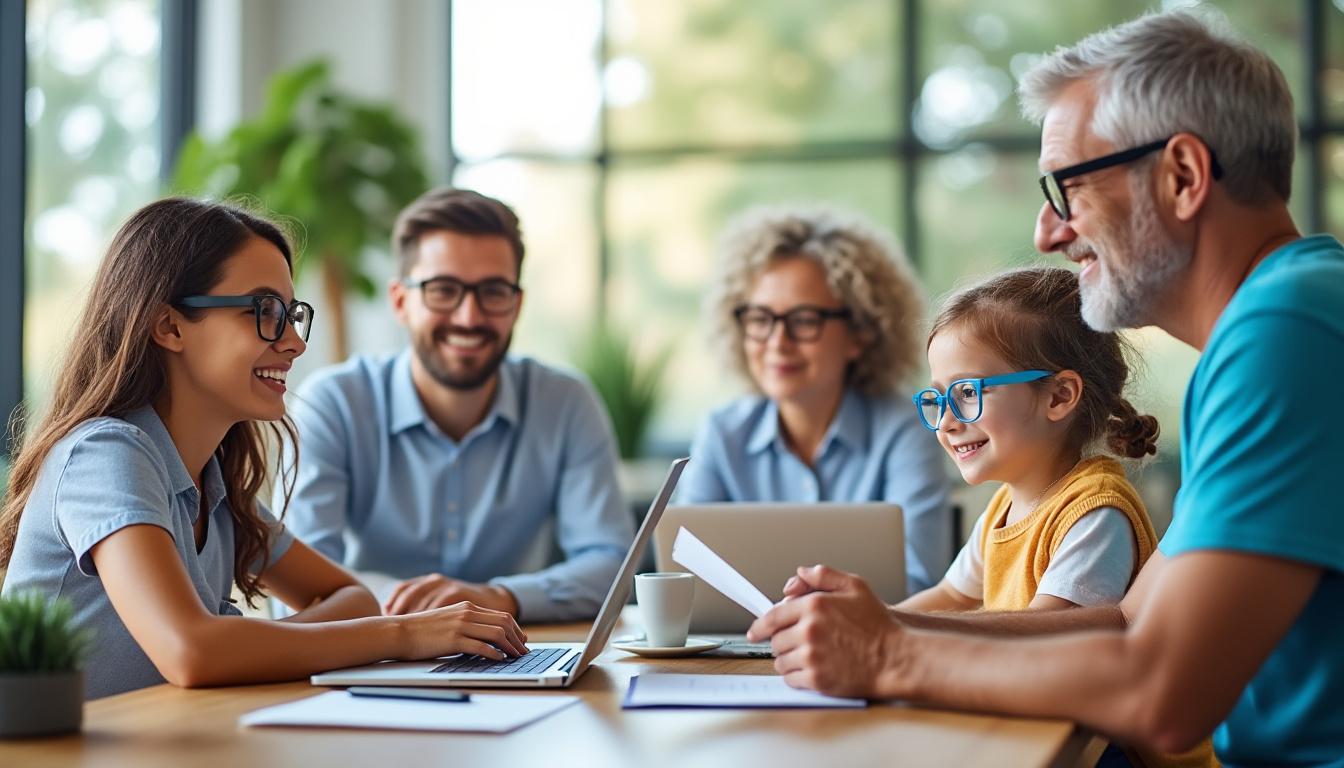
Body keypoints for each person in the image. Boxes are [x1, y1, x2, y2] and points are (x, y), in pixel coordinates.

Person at [748, 10, 1344, 764]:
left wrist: (887, 658)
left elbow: (1161, 696)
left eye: (1066, 189)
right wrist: (885, 629)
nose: (1047, 233)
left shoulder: (1289, 332)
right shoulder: (1286, 319)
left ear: (1183, 177)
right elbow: (1128, 622)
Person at [0, 198, 526, 700]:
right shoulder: (107, 455)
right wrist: (405, 634)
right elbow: (191, 652)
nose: (294, 342)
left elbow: (353, 600)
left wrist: (246, 646)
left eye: (291, 312)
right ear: (169, 325)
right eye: (265, 310)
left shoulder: (215, 482)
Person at [901, 267, 1214, 768]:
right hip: (1052, 717)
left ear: (1059, 396)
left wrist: (891, 637)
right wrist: (876, 622)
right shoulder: (1005, 505)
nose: (948, 420)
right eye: (937, 397)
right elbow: (950, 596)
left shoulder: (1095, 509)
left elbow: (1053, 630)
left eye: (966, 392)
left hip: (1113, 749)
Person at [280, 188, 633, 622]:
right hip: (370, 654)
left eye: (493, 291)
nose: (469, 317)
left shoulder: (565, 402)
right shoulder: (333, 402)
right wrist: (418, 607)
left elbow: (610, 564)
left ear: (517, 305)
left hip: (516, 655)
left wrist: (497, 597)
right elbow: (292, 577)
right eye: (443, 290)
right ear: (400, 301)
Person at [677, 207, 953, 593]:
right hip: (740, 646)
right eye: (760, 318)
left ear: (860, 332)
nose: (777, 342)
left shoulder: (905, 430)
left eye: (804, 320)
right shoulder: (722, 432)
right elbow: (688, 575)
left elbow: (919, 583)